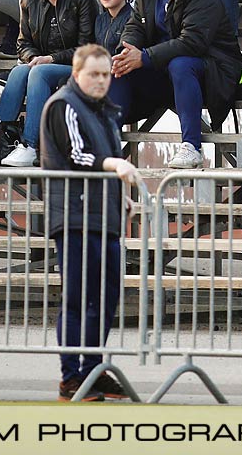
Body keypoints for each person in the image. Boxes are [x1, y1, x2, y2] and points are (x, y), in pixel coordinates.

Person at [40, 44, 141, 402]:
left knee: (107, 297)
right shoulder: (63, 105)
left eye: (105, 74)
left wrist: (122, 196)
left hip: (105, 217)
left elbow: (102, 156)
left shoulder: (106, 111)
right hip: (74, 215)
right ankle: (71, 378)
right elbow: (79, 155)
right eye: (93, 74)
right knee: (78, 298)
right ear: (76, 73)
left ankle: (93, 371)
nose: (101, 81)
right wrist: (115, 166)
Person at [113, 0, 242, 172]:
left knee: (180, 64)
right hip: (163, 64)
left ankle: (191, 146)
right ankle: (107, 142)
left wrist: (144, 57)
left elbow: (193, 42)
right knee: (119, 66)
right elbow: (136, 24)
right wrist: (128, 49)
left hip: (214, 67)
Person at [0, 0, 97, 169]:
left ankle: (31, 145)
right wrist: (33, 58)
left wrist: (50, 59)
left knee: (38, 73)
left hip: (77, 66)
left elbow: (87, 48)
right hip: (41, 65)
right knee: (19, 72)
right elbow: (23, 43)